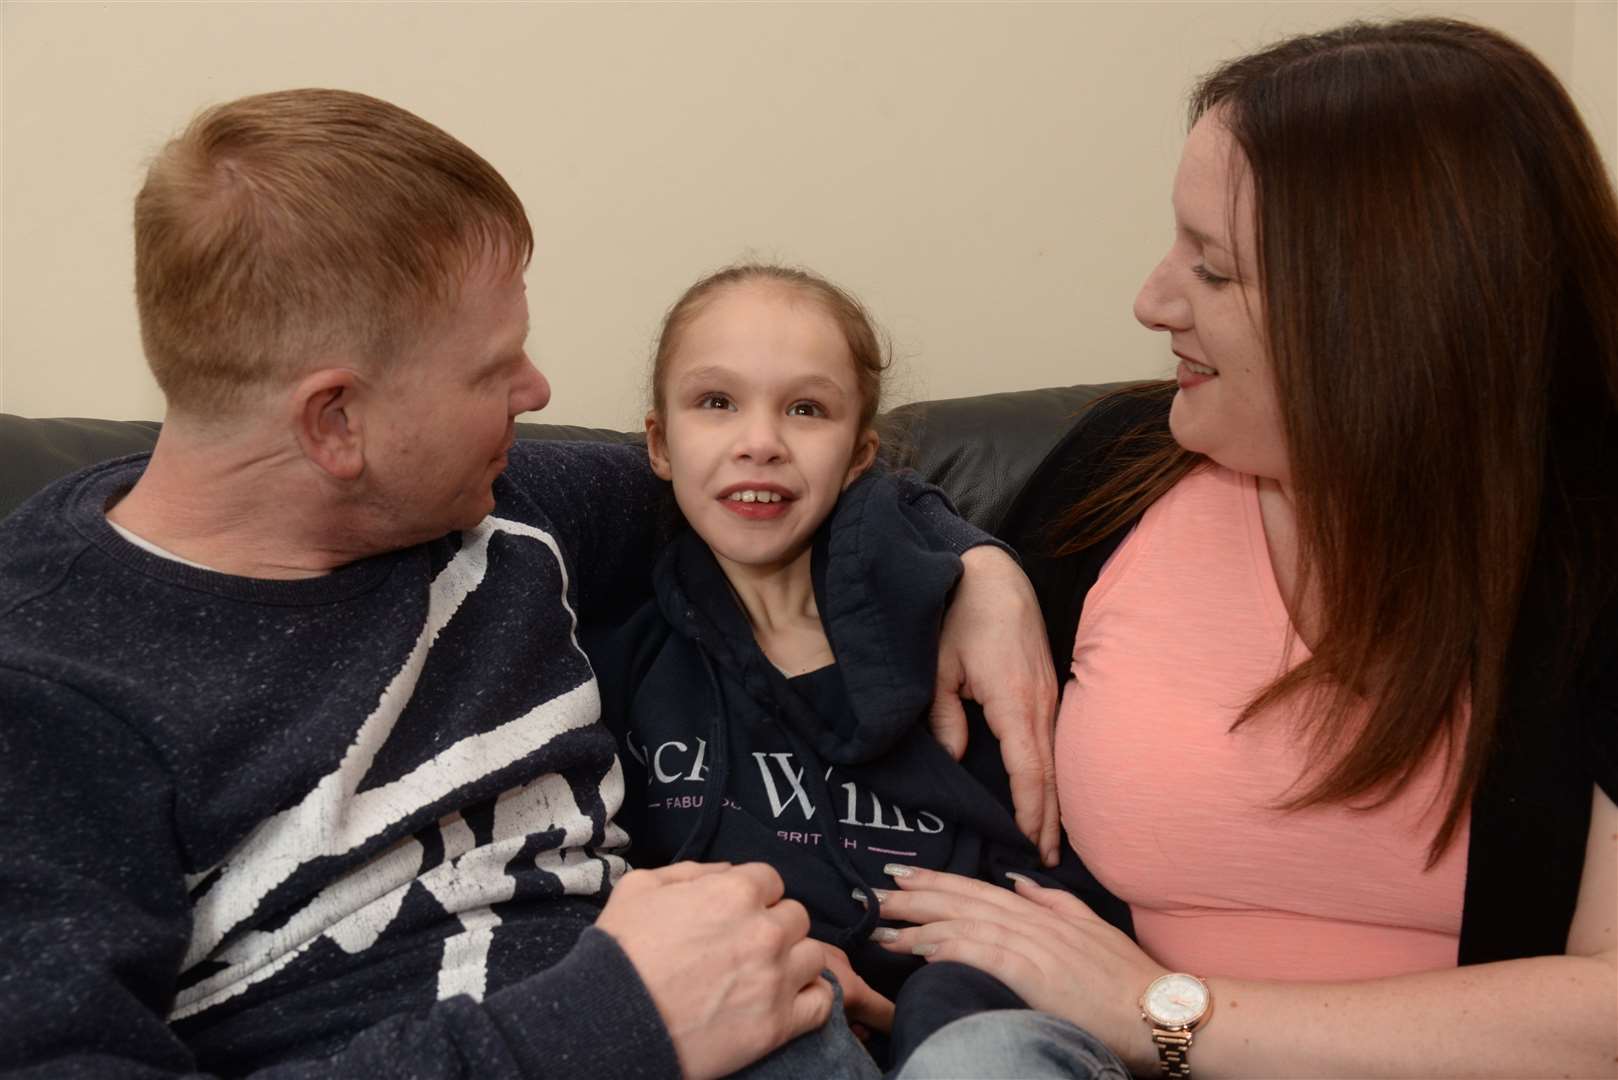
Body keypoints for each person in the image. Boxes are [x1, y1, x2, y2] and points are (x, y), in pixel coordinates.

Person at [0, 88, 1062, 1078]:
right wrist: (613, 1019)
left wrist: (975, 565)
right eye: (491, 370)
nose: (539, 389)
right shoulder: (53, 692)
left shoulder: (502, 502)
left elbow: (762, 483)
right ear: (337, 423)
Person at [869, 18, 1618, 1079]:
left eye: (1213, 273)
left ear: (1389, 314)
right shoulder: (1119, 475)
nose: (1151, 301)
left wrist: (1165, 1016)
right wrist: (974, 565)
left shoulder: (1591, 553)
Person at [587, 264, 1128, 1068]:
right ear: (659, 444)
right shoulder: (616, 666)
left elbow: (1063, 896)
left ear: (858, 455)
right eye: (716, 402)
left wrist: (932, 1006)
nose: (760, 441)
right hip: (763, 1026)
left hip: (970, 1031)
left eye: (806, 409)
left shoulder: (959, 647)